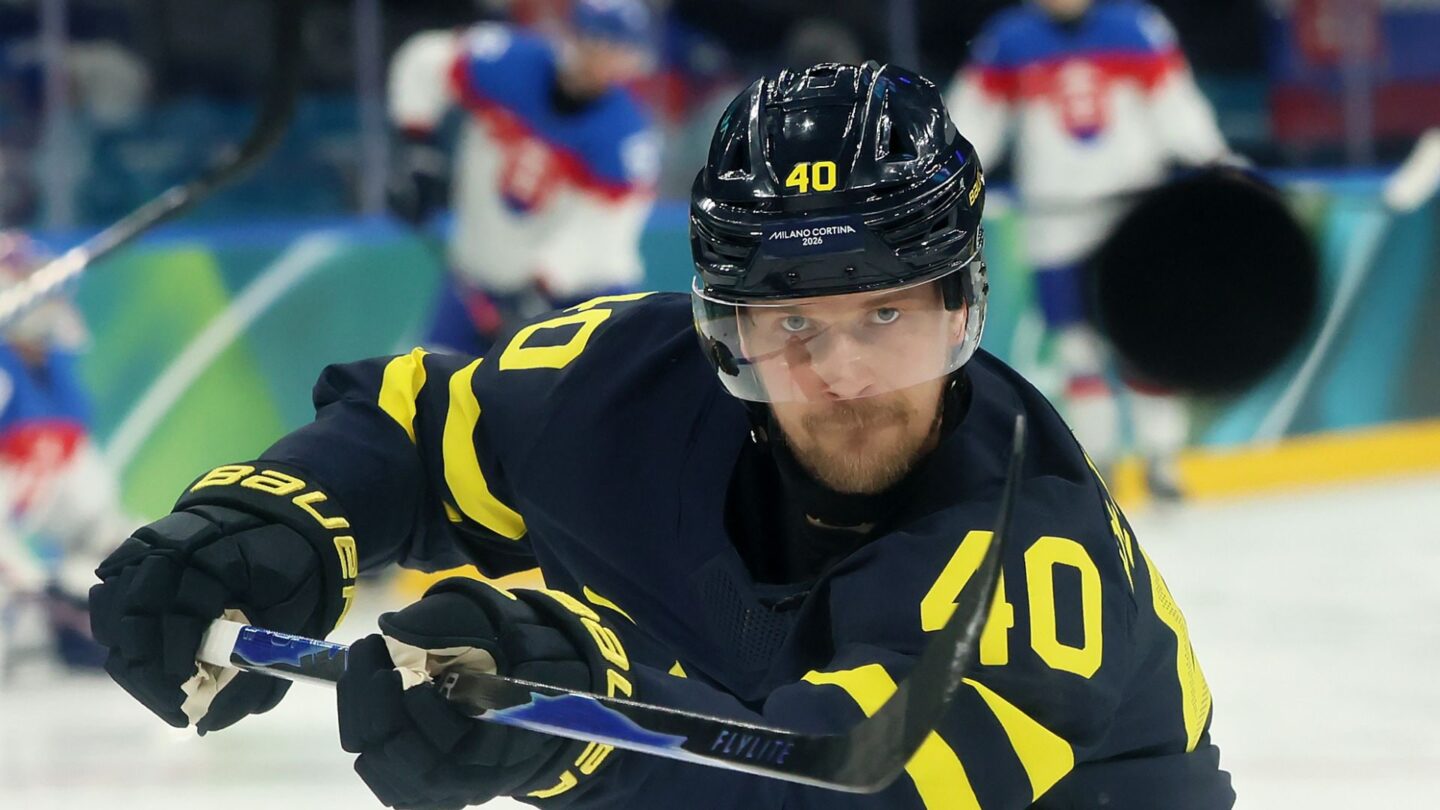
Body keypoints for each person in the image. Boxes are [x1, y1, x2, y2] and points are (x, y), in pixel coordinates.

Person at [89, 63, 1234, 808]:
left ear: (960, 305)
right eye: (792, 319)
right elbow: (416, 430)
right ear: (726, 323)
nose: (838, 374)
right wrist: (267, 521)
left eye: (885, 312)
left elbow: (831, 787)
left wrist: (588, 704)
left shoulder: (1028, 555)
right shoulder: (624, 386)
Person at [945, 0, 1235, 497]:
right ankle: (1100, 464)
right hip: (1056, 219)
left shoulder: (1137, 27)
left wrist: (1214, 158)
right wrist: (948, 176)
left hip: (1132, 212)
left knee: (1144, 338)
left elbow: (1176, 105)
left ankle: (1162, 460)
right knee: (1078, 349)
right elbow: (974, 122)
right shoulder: (1009, 40)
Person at [388, 0, 661, 356]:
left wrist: (540, 289)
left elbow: (605, 235)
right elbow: (426, 60)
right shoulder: (508, 61)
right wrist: (418, 148)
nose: (600, 58)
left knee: (590, 402)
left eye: (616, 48)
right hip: (477, 285)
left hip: (582, 299)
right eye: (593, 41)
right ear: (569, 35)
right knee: (428, 390)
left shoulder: (626, 136)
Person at [0, 232, 133, 669]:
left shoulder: (58, 371)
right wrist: (28, 577)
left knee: (117, 543)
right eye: (25, 279)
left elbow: (82, 489)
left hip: (34, 512)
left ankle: (69, 624)